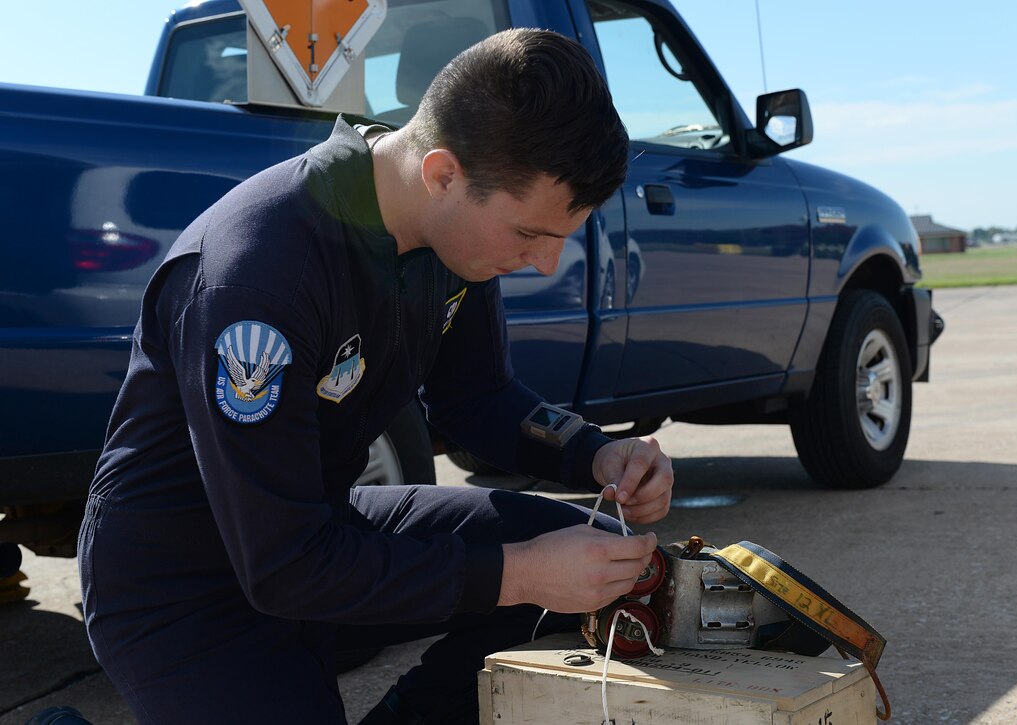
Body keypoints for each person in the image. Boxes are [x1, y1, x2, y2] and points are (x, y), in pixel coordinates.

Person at [78, 28, 673, 725]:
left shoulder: (454, 238)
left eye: (559, 236)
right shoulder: (258, 279)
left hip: (318, 529)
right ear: (444, 173)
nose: (545, 263)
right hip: (184, 585)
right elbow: (284, 566)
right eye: (529, 235)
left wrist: (594, 453)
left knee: (597, 566)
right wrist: (519, 572)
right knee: (536, 571)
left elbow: (475, 399)